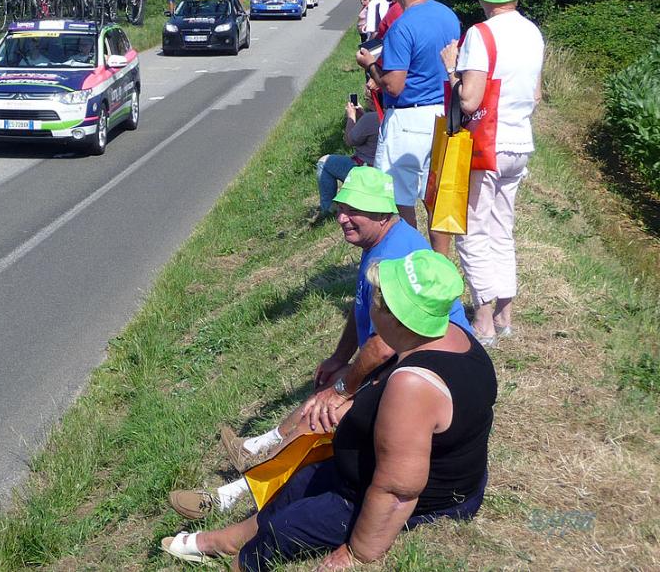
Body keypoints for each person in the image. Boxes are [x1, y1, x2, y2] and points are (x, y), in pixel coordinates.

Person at [168, 168, 471, 522]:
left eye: (352, 210)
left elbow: (384, 346)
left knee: (325, 414)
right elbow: (364, 308)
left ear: (381, 213)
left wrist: (343, 389)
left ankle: (231, 496)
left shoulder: (395, 254)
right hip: (404, 360)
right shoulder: (380, 241)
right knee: (329, 389)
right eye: (341, 207)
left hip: (424, 374)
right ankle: (258, 449)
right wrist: (339, 359)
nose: (341, 217)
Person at [163, 250, 496, 570]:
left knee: (279, 534)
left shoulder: (415, 385)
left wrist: (357, 552)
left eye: (378, 298)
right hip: (362, 474)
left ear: (396, 315)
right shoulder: (448, 335)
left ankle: (242, 560)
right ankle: (228, 539)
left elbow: (398, 491)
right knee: (295, 486)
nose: (372, 305)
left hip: (407, 501)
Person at [440, 0, 544, 346]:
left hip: (486, 148)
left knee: (472, 231)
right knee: (503, 228)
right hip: (520, 144)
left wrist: (452, 66)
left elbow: (468, 100)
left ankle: (482, 321)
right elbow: (535, 95)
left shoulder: (480, 36)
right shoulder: (533, 32)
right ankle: (506, 316)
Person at [356, 0, 460, 247]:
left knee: (400, 201)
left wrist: (370, 66)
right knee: (435, 199)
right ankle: (439, 265)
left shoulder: (402, 27)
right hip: (442, 113)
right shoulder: (448, 15)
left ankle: (413, 259)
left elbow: (393, 86)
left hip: (408, 118)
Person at [313, 83, 380, 220]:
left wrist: (351, 117)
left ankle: (328, 209)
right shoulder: (387, 116)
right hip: (381, 170)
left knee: (323, 162)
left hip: (363, 170)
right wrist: (364, 114)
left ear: (372, 101)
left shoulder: (370, 119)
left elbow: (349, 140)